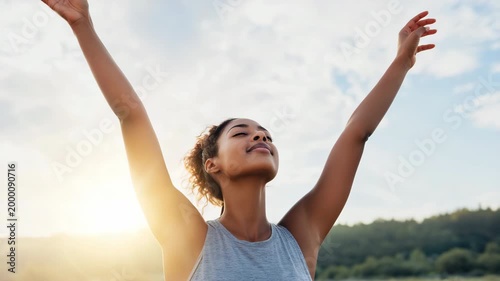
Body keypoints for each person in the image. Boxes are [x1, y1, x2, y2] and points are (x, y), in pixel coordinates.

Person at [41, 0, 437, 280]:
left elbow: (356, 134)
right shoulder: (188, 235)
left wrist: (401, 62)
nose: (260, 135)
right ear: (212, 164)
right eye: (241, 132)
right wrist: (83, 26)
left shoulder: (301, 236)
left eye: (265, 132)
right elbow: (130, 111)